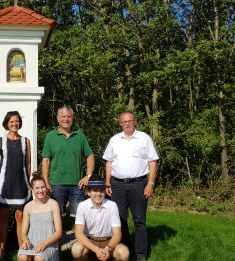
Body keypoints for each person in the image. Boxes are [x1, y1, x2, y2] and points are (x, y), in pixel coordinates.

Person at [102, 111, 159, 260]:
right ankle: (124, 251)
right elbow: (109, 162)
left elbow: (153, 161)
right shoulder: (115, 140)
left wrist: (150, 183)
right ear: (120, 124)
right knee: (119, 219)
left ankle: (141, 255)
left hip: (139, 184)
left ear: (135, 121)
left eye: (130, 121)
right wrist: (107, 182)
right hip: (117, 184)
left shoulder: (144, 138)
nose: (127, 123)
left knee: (139, 220)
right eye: (124, 121)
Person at [0, 111, 32, 255]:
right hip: (4, 185)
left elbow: (29, 164)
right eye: (12, 121)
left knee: (21, 217)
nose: (15, 124)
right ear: (7, 123)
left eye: (17, 121)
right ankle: (1, 250)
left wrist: (28, 182)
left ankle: (22, 251)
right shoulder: (1, 141)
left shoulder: (26, 141)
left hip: (21, 184)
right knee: (3, 217)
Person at [42, 106, 94, 218]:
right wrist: (46, 182)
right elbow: (46, 160)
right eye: (63, 116)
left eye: (69, 116)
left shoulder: (79, 135)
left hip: (77, 184)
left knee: (80, 217)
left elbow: (90, 155)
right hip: (57, 184)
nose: (66, 119)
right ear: (58, 118)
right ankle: (58, 236)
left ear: (73, 118)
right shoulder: (51, 136)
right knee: (56, 217)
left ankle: (79, 236)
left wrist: (88, 176)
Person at [71, 174, 129, 261]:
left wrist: (107, 249)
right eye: (95, 190)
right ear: (88, 192)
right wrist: (96, 250)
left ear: (105, 192)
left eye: (101, 190)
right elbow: (78, 233)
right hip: (89, 241)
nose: (98, 194)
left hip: (108, 242)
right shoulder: (82, 206)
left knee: (124, 253)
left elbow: (117, 234)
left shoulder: (112, 206)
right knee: (76, 249)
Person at [18, 172, 62, 261]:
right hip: (31, 243)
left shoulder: (53, 204)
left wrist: (44, 243)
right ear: (32, 189)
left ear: (46, 187)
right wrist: (25, 240)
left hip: (49, 244)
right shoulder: (28, 207)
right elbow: (23, 232)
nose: (40, 191)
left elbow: (59, 232)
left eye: (42, 187)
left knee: (39, 258)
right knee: (22, 257)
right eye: (37, 188)